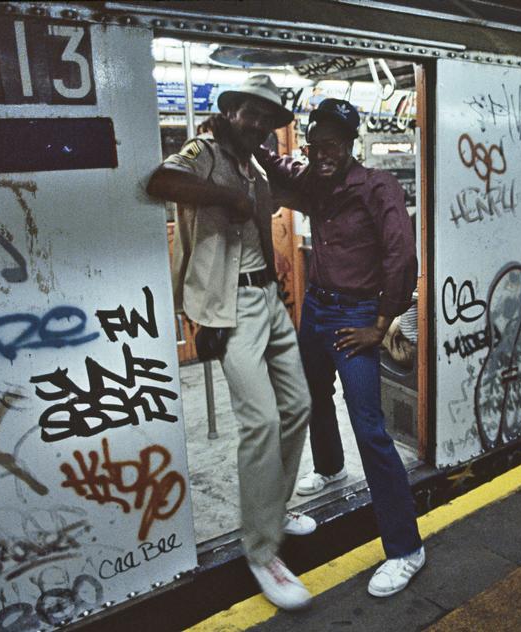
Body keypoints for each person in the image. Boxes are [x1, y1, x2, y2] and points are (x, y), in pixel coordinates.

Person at [146, 75, 314, 611]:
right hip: (231, 303)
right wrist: (227, 197)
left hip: (268, 297)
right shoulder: (204, 152)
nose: (259, 124)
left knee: (299, 406)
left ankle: (273, 510)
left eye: (267, 119)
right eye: (251, 113)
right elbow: (160, 181)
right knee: (261, 421)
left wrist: (279, 290)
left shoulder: (256, 165)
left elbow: (270, 216)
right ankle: (263, 550)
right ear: (232, 112)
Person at [256, 98, 425, 598]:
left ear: (350, 144)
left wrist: (381, 324)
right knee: (312, 394)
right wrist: (244, 135)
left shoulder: (377, 186)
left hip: (356, 317)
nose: (323, 153)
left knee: (369, 427)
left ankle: (406, 548)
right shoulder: (315, 180)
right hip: (317, 308)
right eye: (315, 145)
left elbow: (402, 256)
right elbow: (278, 165)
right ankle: (331, 468)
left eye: (332, 144)